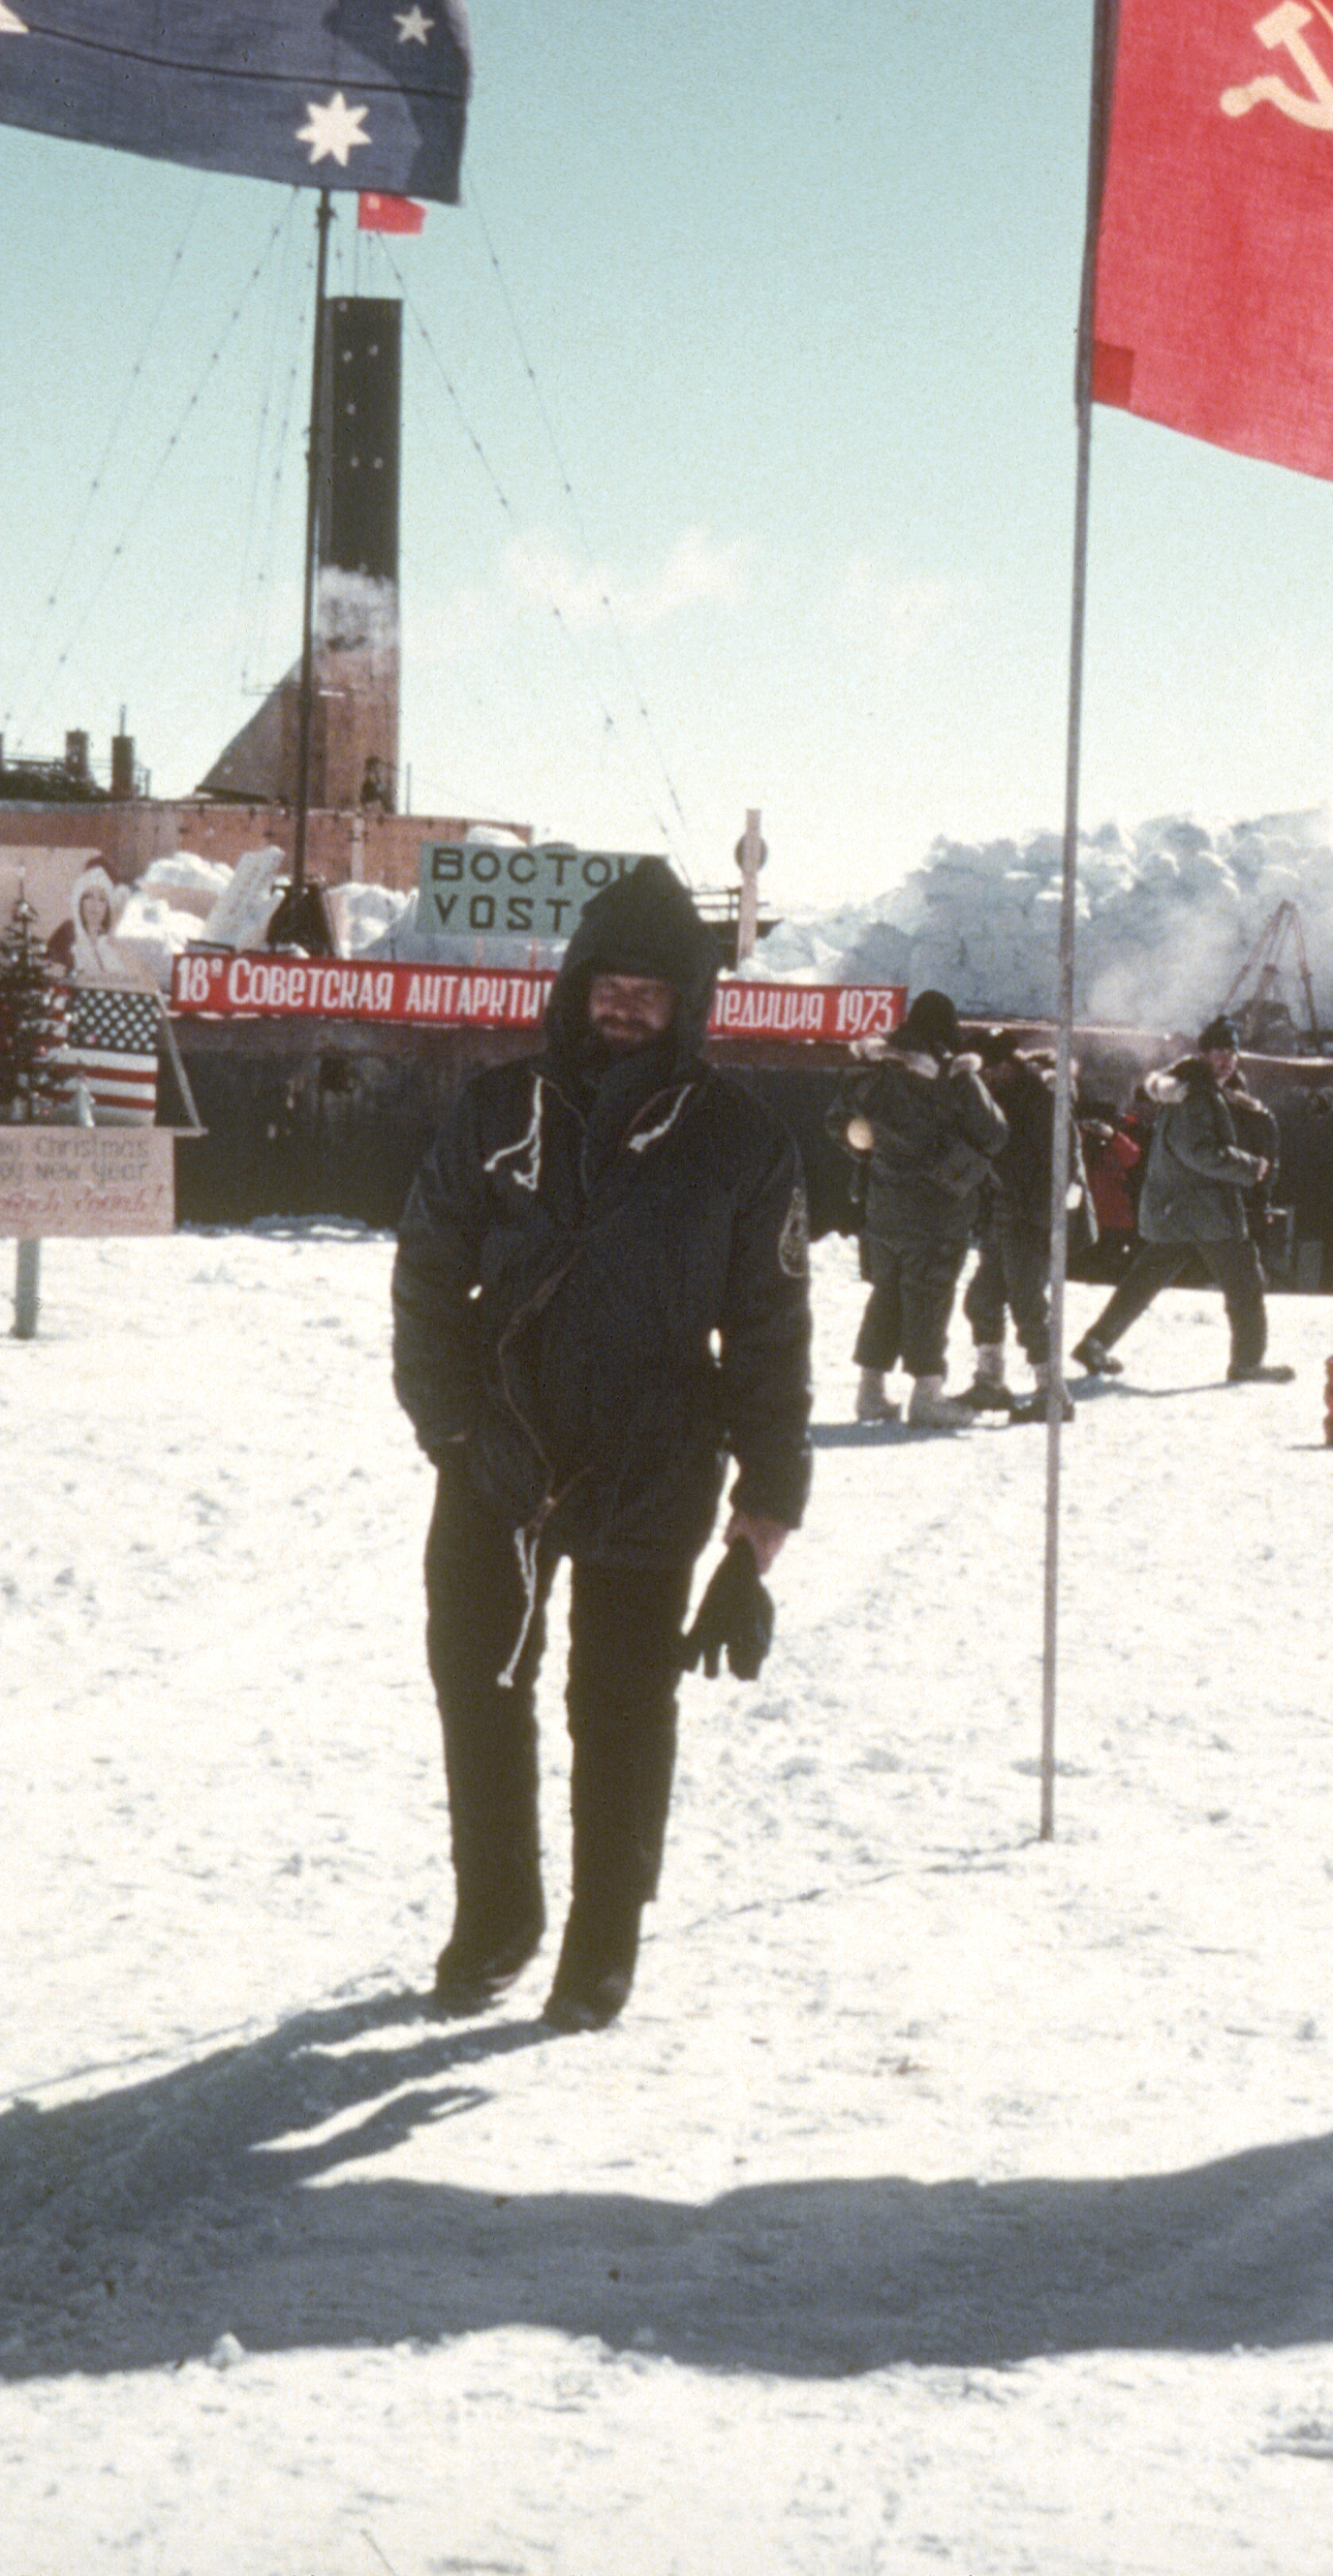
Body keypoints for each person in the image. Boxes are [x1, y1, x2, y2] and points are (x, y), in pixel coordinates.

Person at [388, 857, 808, 2032]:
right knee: (478, 1683)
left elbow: (773, 1326)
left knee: (620, 1710)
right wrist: (450, 1421)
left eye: (649, 990)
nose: (622, 1006)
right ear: (575, 987)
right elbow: (428, 1269)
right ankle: (498, 1918)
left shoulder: (740, 1140)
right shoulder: (497, 1107)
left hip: (652, 1461)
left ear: (688, 1004)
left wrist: (768, 1500)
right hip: (497, 1455)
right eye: (605, 983)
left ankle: (601, 1944)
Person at [1073, 1018, 1290, 1385]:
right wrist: (1250, 1167)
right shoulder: (1199, 1096)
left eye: (1232, 1052)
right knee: (1245, 1285)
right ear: (1204, 1054)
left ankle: (1095, 1343)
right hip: (1204, 1210)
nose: (1227, 1059)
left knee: (1143, 1281)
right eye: (1219, 1051)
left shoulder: (1195, 1090)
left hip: (1177, 1209)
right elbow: (1198, 1152)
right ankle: (1248, 1363)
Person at [827, 991, 1003, 1428]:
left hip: (883, 1204)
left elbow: (839, 1125)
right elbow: (995, 1132)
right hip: (938, 1208)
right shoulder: (952, 1073)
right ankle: (927, 1395)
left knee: (886, 1291)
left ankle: (870, 1394)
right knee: (929, 1297)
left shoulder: (875, 1071)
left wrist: (869, 1145)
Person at [953, 1023, 1068, 1416]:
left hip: (1028, 1217)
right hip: (1002, 1216)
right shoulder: (1003, 1097)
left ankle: (1053, 1392)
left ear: (1006, 1066)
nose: (985, 1079)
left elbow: (1048, 1163)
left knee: (1028, 1305)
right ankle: (991, 1382)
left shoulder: (1039, 1101)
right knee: (982, 1300)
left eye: (989, 1070)